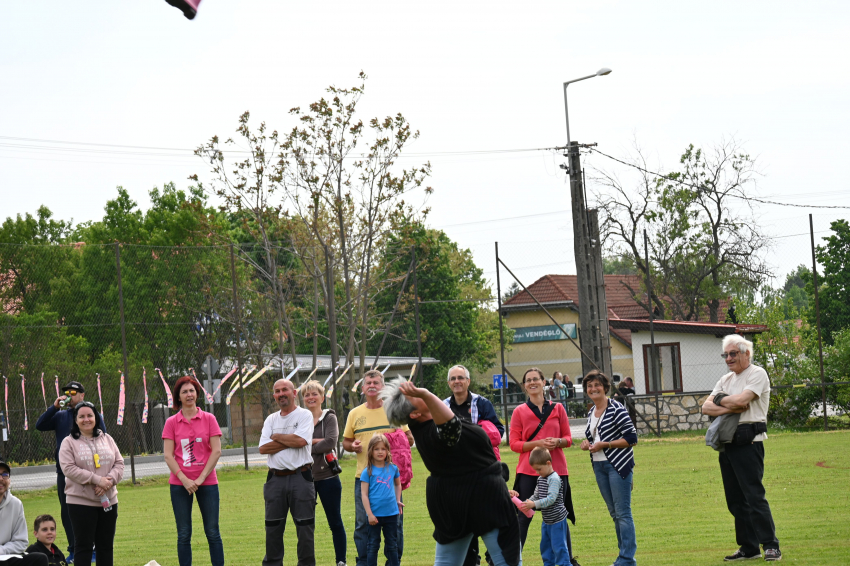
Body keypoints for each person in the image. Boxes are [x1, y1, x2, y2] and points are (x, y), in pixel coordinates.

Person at [381, 379, 521, 566]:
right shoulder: (431, 431)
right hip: (479, 498)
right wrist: (426, 394)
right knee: (506, 562)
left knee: (448, 562)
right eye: (415, 395)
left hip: (463, 497)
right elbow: (451, 428)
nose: (420, 391)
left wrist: (424, 395)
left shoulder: (428, 425)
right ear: (415, 413)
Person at [701, 335, 781, 562]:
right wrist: (731, 406)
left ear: (746, 353)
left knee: (754, 496)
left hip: (749, 443)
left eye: (733, 354)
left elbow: (744, 399)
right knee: (735, 500)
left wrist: (721, 401)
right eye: (725, 355)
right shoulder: (725, 379)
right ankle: (749, 547)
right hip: (727, 444)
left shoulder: (757, 374)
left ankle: (771, 545)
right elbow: (706, 407)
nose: (728, 358)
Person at [343, 370, 413, 566]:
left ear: (382, 387)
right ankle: (364, 562)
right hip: (364, 477)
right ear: (363, 388)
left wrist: (396, 439)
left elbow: (409, 439)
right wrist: (352, 446)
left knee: (395, 522)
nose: (372, 385)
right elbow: (346, 442)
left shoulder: (394, 409)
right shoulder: (355, 413)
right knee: (363, 522)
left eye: (376, 382)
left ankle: (393, 561)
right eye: (368, 383)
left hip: (390, 478)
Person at [509, 367, 576, 561]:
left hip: (556, 470)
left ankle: (568, 560)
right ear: (524, 386)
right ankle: (513, 560)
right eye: (528, 380)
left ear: (544, 382)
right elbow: (514, 444)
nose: (532, 383)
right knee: (523, 516)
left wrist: (558, 442)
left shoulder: (558, 409)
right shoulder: (519, 412)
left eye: (535, 379)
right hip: (528, 471)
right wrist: (538, 443)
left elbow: (568, 439)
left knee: (559, 515)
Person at [35, 381, 106, 563]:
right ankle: (74, 550)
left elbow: (103, 443)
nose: (69, 395)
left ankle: (93, 549)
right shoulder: (60, 416)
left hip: (90, 474)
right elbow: (40, 425)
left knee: (91, 512)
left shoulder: (91, 415)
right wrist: (53, 407)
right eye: (66, 392)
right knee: (67, 513)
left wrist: (102, 477)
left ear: (82, 395)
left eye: (73, 392)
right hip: (65, 474)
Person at [443, 364, 506, 566]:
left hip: (483, 469)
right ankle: (471, 560)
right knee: (464, 518)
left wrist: (476, 436)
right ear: (448, 383)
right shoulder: (443, 405)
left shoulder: (482, 403)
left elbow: (498, 430)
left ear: (468, 381)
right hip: (455, 473)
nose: (457, 381)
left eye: (461, 378)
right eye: (453, 378)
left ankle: (494, 556)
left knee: (489, 514)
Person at [162, 376, 224, 566]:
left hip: (207, 482)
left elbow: (217, 451)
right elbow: (168, 455)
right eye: (184, 392)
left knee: (212, 531)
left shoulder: (209, 419)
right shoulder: (171, 422)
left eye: (192, 390)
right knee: (183, 533)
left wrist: (200, 478)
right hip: (180, 484)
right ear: (178, 397)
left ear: (197, 393)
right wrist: (185, 480)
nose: (189, 394)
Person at [580, 370, 638, 566]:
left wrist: (605, 444)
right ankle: (624, 555)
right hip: (599, 466)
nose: (593, 388)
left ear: (605, 387)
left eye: (597, 385)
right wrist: (587, 443)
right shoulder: (591, 411)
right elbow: (594, 437)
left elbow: (632, 438)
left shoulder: (617, 409)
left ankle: (627, 559)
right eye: (589, 386)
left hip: (618, 466)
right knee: (615, 513)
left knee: (622, 513)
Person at [58, 401, 124, 566]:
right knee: (83, 547)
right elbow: (68, 469)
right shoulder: (68, 442)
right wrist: (97, 480)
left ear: (96, 417)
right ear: (75, 420)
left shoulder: (107, 438)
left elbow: (119, 463)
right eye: (81, 416)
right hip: (80, 503)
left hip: (108, 501)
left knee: (105, 547)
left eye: (90, 415)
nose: (86, 419)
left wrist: (107, 482)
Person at [259, 379, 316, 566]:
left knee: (305, 529)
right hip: (275, 479)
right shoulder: (271, 419)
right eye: (277, 391)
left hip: (301, 477)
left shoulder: (305, 415)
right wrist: (289, 439)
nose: (281, 393)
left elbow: (301, 441)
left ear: (294, 392)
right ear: (274, 395)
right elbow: (263, 448)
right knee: (272, 529)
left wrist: (276, 437)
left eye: (285, 390)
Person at [302, 379, 347, 566]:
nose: (310, 397)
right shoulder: (299, 418)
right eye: (306, 394)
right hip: (305, 479)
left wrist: (306, 445)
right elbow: (292, 444)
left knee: (335, 522)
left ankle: (341, 561)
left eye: (314, 394)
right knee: (305, 525)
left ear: (322, 397)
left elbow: (330, 442)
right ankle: (307, 561)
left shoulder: (329, 417)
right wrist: (314, 442)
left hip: (328, 477)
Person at [510, 447, 573, 566]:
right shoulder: (541, 478)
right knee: (546, 548)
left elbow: (551, 499)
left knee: (559, 548)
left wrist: (534, 504)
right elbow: (536, 495)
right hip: (547, 521)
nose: (538, 473)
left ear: (548, 463)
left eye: (539, 469)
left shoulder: (554, 479)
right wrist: (527, 503)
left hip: (557, 521)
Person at [360, 435, 402, 566]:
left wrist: (397, 499)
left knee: (392, 545)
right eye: (376, 449)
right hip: (374, 516)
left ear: (388, 451)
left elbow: (398, 484)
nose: (380, 452)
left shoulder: (393, 468)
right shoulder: (367, 472)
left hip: (391, 514)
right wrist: (370, 514)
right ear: (371, 451)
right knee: (373, 545)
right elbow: (364, 494)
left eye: (383, 449)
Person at [0, 458, 49, 566]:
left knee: (40, 559)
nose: (1, 478)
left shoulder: (16, 504)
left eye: (4, 474)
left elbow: (21, 542)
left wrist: (2, 550)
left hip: (6, 556)